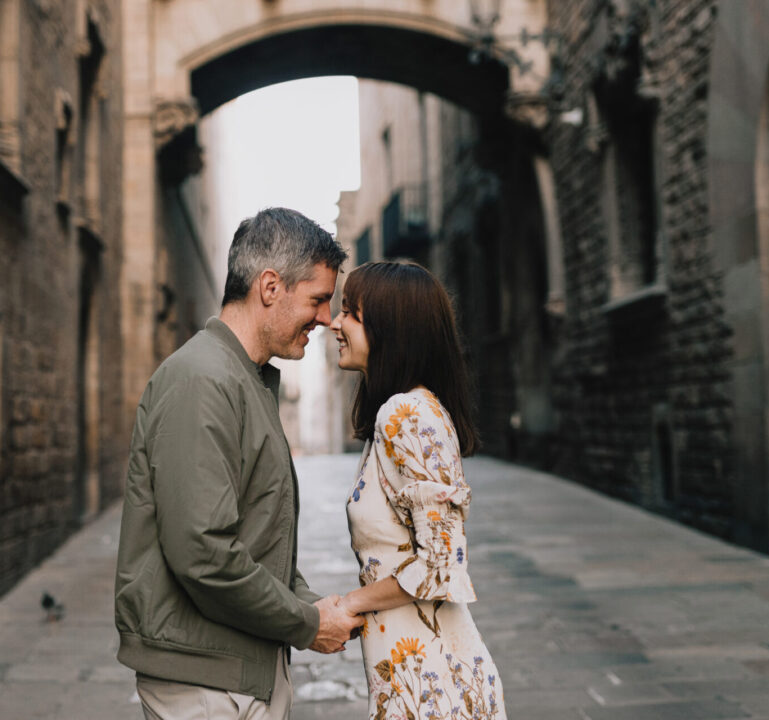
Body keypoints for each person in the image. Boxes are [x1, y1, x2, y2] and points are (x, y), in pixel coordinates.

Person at [114, 207, 364, 720]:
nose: (324, 318)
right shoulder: (202, 381)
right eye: (317, 299)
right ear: (270, 287)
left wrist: (310, 606)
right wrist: (305, 624)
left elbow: (254, 537)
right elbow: (204, 554)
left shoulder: (244, 380)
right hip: (204, 681)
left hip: (233, 667)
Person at [329, 261, 507, 720]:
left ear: (391, 329)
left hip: (436, 686)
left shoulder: (405, 413)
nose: (335, 323)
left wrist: (349, 603)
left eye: (351, 313)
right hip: (410, 676)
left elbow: (441, 564)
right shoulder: (395, 415)